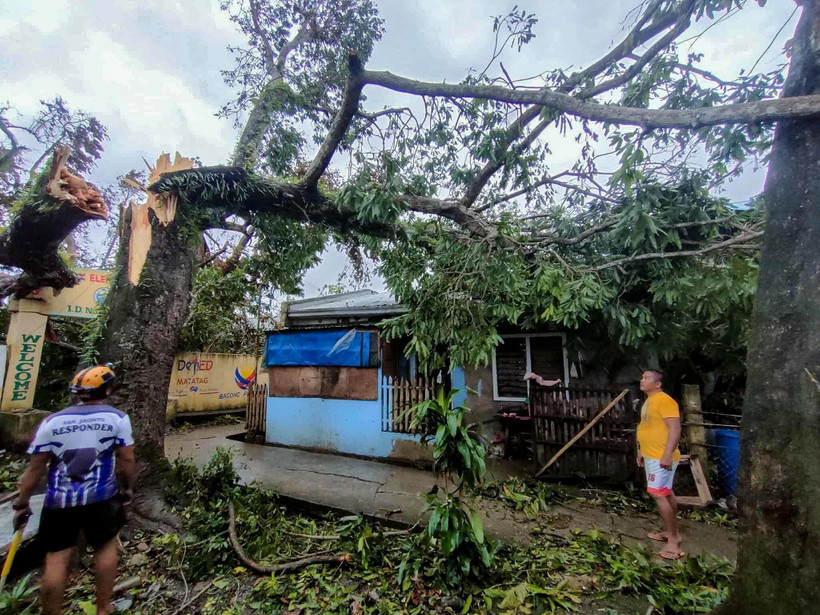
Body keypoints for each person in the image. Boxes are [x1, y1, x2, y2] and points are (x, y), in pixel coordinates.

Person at [12, 364, 135, 615]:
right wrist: (128, 488)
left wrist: (21, 503)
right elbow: (127, 461)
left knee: (56, 558)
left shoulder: (52, 422)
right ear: (108, 389)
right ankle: (104, 607)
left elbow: (34, 470)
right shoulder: (117, 419)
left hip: (59, 502)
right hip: (102, 497)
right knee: (105, 548)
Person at [636, 369, 683, 560]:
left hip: (660, 456)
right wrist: (641, 450)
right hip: (651, 454)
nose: (642, 380)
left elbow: (675, 428)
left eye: (646, 378)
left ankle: (673, 541)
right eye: (642, 377)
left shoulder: (665, 400)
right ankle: (672, 532)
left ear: (658, 384)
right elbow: (647, 428)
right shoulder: (649, 402)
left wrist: (667, 454)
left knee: (657, 494)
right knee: (666, 491)